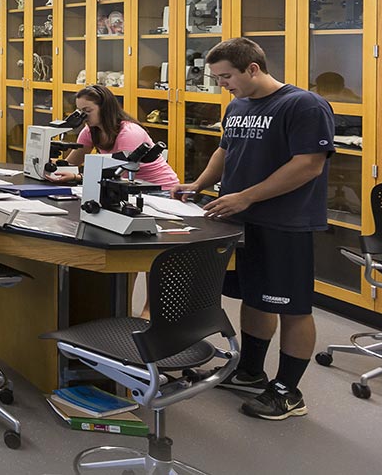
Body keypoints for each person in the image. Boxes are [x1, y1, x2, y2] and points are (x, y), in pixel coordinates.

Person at [168, 37, 333, 421]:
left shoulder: (303, 105)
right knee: (255, 297)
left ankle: (288, 392)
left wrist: (246, 197)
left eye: (226, 77)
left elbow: (309, 165)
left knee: (292, 307)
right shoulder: (238, 105)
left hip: (285, 222)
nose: (222, 84)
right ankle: (250, 372)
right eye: (218, 78)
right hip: (241, 220)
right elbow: (225, 150)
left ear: (253, 68)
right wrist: (200, 184)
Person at [46, 85, 179, 191]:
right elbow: (72, 163)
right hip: (130, 187)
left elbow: (117, 173)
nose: (83, 116)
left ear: (105, 109)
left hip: (161, 190)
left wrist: (77, 177)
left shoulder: (129, 133)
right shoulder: (90, 131)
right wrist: (50, 165)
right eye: (80, 111)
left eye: (87, 111)